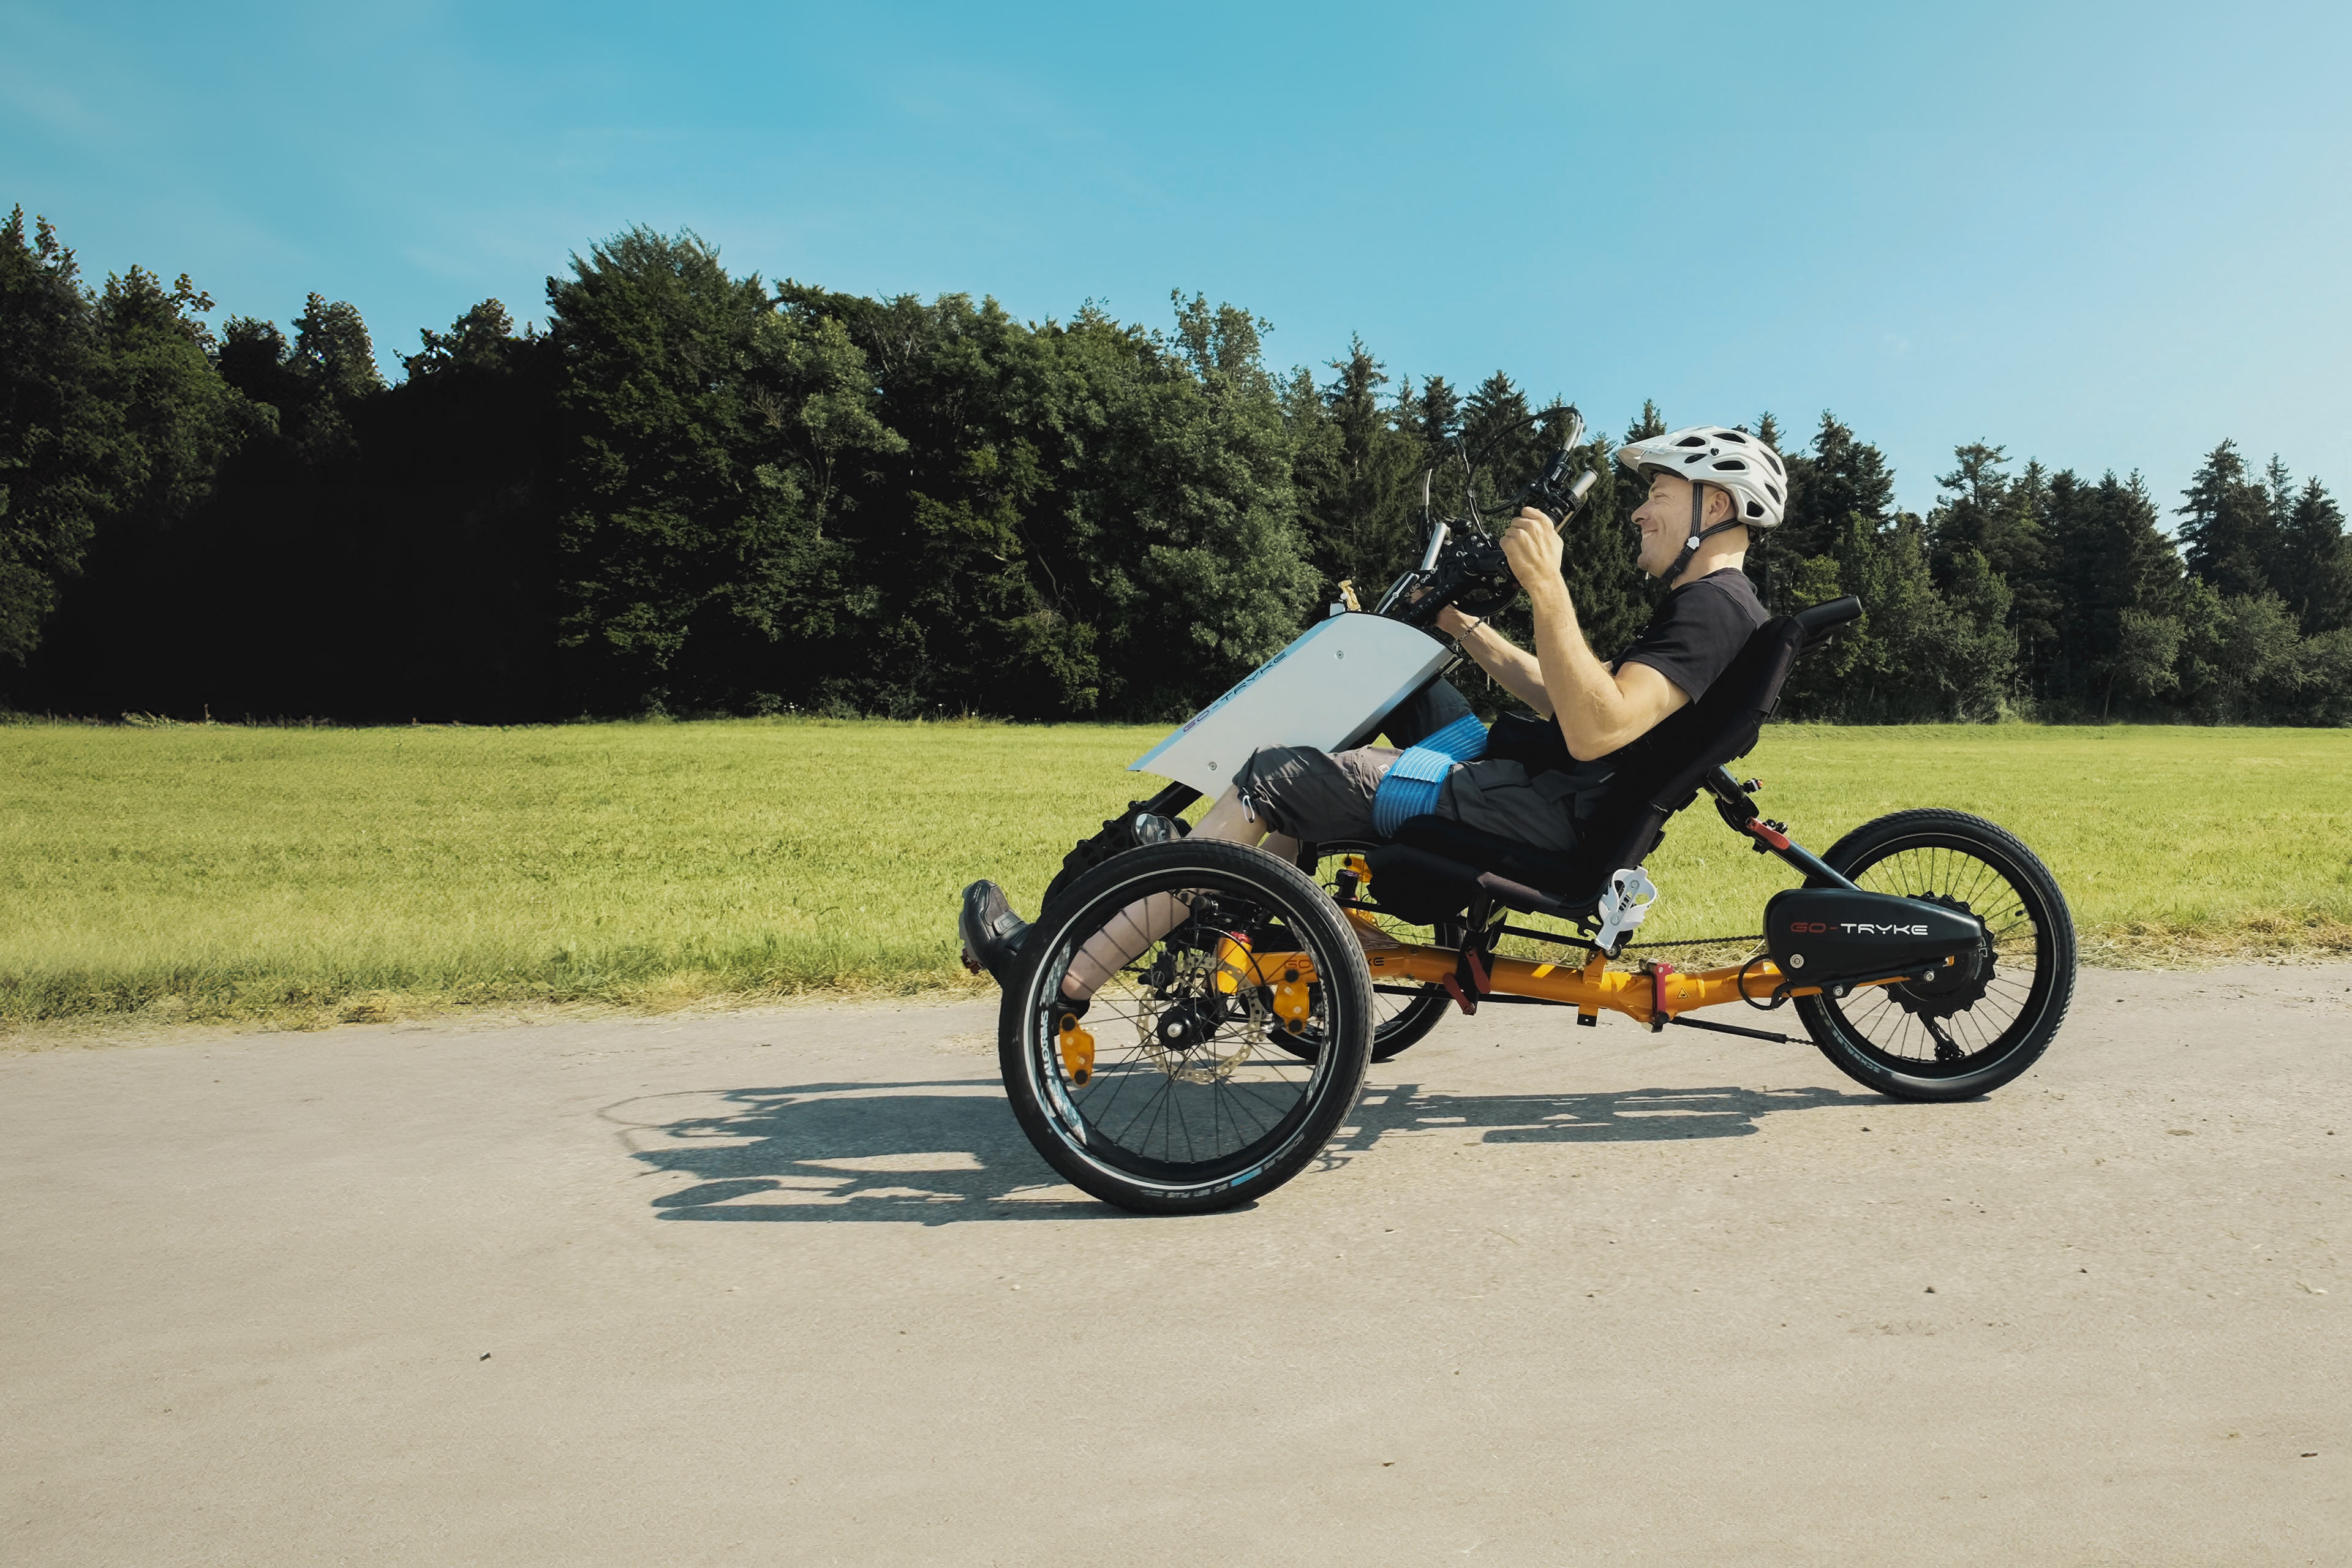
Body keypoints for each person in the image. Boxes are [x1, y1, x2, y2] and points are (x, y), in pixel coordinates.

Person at [959, 424, 1786, 994]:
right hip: (1551, 792)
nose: (1640, 509)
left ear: (1713, 508)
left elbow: (1596, 723)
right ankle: (1283, 914)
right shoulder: (1714, 607)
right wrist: (1461, 626)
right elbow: (1573, 694)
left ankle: (1063, 970)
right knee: (1374, 724)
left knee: (1278, 777)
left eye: (1660, 494)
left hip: (1543, 813)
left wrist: (1549, 585)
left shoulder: (1711, 609)